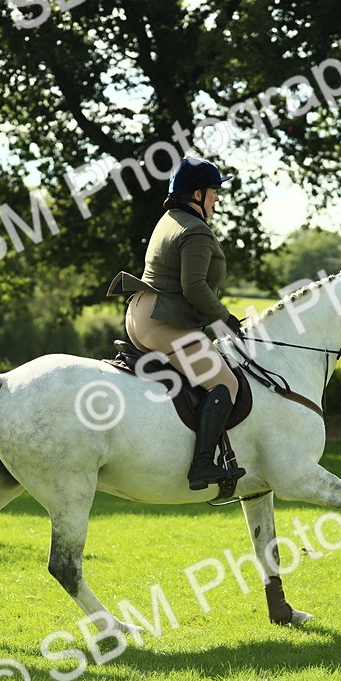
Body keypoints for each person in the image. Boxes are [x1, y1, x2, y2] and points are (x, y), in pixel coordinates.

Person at [106, 156, 247, 491]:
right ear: (196, 194)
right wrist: (224, 318)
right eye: (214, 191)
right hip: (164, 322)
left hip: (140, 314)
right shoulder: (196, 229)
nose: (218, 198)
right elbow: (194, 286)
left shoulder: (169, 219)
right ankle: (201, 466)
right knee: (225, 383)